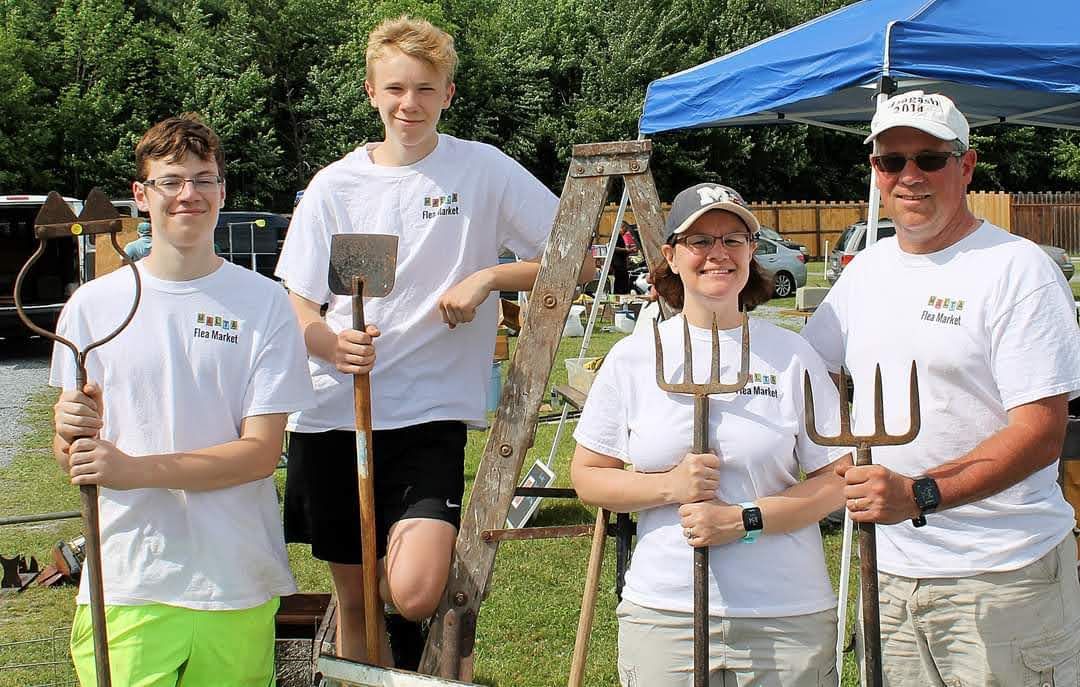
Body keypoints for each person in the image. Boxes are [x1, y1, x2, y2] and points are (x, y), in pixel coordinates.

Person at [274, 15, 587, 667]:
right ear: (370, 93)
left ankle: (407, 642)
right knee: (357, 600)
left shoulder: (482, 171)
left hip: (429, 415)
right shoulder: (337, 187)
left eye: (423, 89)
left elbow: (578, 257)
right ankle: (375, 672)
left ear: (448, 93)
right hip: (337, 413)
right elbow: (298, 301)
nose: (407, 104)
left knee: (413, 591)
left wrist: (489, 278)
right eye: (394, 89)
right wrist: (331, 347)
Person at [802, 90, 1080, 686]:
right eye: (891, 160)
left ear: (967, 166)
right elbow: (810, 373)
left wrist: (920, 494)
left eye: (930, 159)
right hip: (891, 570)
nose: (910, 177)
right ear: (874, 171)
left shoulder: (1018, 270)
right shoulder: (867, 273)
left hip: (1003, 575)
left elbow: (1040, 432)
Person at [50, 114, 314, 686]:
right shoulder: (92, 308)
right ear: (142, 197)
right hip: (128, 579)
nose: (188, 194)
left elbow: (260, 454)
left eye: (203, 178)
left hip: (236, 577)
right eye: (171, 180)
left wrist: (132, 469)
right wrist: (68, 430)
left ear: (222, 191)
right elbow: (75, 451)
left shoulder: (265, 304)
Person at [572, 182, 851, 687]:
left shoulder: (790, 356)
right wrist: (668, 486)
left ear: (752, 253)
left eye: (734, 240)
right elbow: (589, 478)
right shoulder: (636, 358)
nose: (717, 254)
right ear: (672, 256)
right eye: (700, 240)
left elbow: (839, 479)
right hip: (666, 610)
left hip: (784, 613)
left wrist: (745, 520)